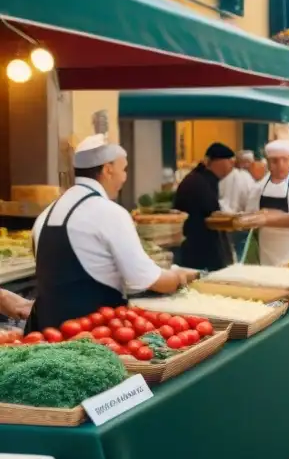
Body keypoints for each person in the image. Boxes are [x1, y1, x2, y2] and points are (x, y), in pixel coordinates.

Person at [27, 134, 198, 331]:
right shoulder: (109, 212)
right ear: (108, 169)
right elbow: (146, 280)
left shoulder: (46, 214)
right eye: (123, 169)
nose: (125, 177)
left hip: (46, 335)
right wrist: (178, 276)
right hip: (95, 335)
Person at [243, 139, 289, 265]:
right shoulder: (260, 186)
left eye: (285, 160)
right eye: (275, 161)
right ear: (267, 162)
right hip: (266, 250)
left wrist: (266, 219)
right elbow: (250, 214)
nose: (280, 165)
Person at [174, 142, 236, 271]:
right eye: (229, 161)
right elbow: (212, 214)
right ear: (216, 162)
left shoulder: (202, 179)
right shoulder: (198, 182)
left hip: (197, 247)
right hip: (198, 249)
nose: (231, 166)